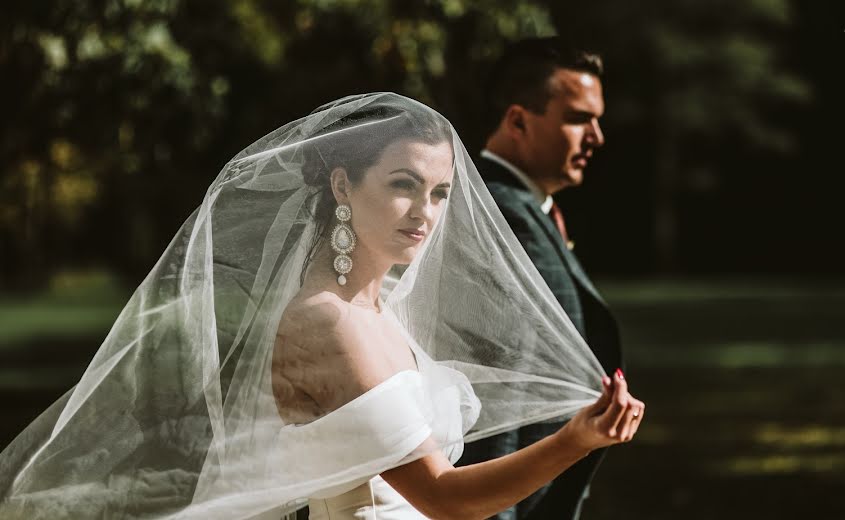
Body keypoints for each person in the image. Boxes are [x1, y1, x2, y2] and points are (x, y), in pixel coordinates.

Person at [0, 93, 643, 520]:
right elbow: (446, 497)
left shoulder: (376, 310)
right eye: (402, 186)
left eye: (441, 193)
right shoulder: (328, 326)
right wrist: (575, 440)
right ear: (342, 184)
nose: (425, 213)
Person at [456, 38, 622, 520]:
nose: (597, 136)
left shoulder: (529, 208)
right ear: (518, 121)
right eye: (578, 118)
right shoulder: (498, 214)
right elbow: (499, 385)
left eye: (597, 119)